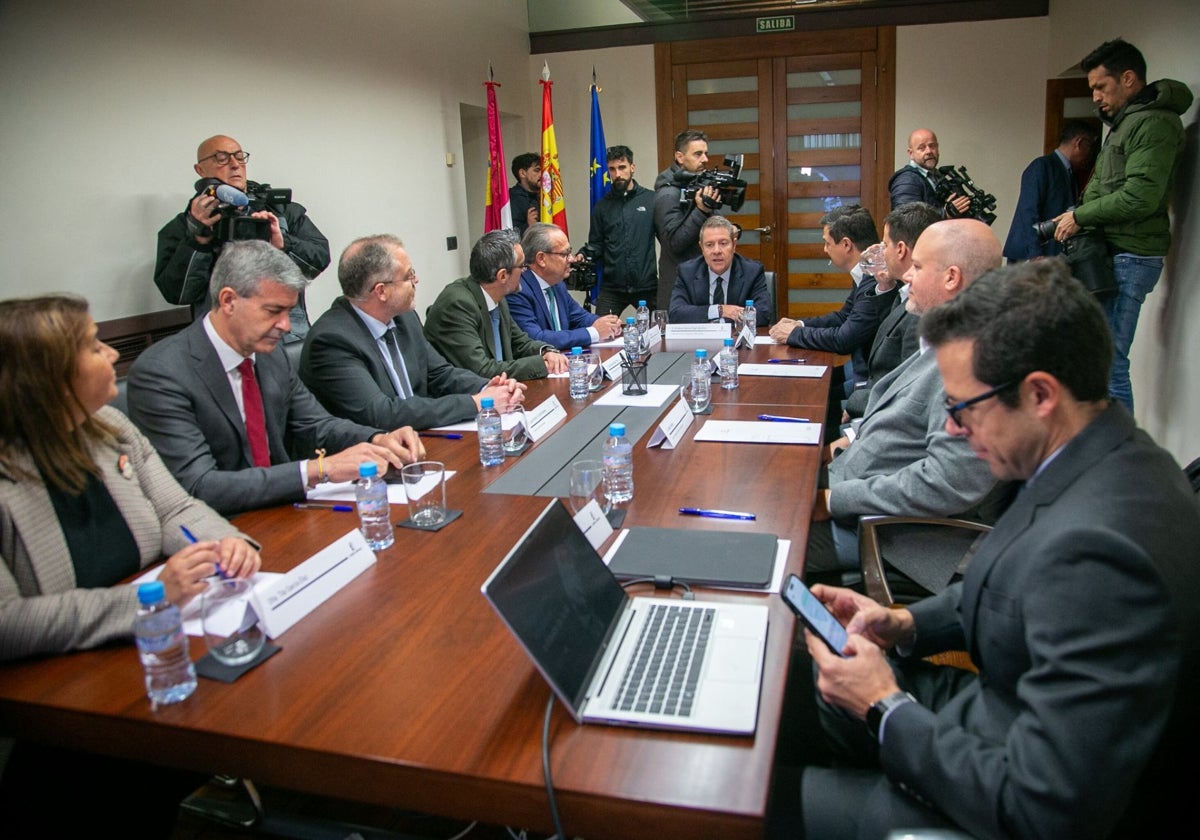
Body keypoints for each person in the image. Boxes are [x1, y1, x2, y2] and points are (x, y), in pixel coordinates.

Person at [790, 259, 1200, 839]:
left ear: (1039, 395)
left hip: (990, 778)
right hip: (980, 714)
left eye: (963, 409)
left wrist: (884, 706)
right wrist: (902, 623)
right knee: (778, 693)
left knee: (751, 797)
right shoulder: (1097, 455)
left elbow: (1042, 806)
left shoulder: (1103, 553)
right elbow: (1010, 591)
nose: (952, 431)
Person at [0, 294, 261, 662]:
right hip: (59, 673)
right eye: (92, 347)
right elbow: (7, 620)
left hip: (158, 642)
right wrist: (149, 598)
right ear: (44, 377)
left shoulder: (112, 427)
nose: (111, 354)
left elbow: (174, 509)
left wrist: (225, 544)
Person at [128, 240, 423, 517]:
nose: (284, 325)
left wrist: (376, 438)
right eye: (273, 311)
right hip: (216, 529)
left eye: (289, 311)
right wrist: (319, 469)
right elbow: (199, 485)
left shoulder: (270, 355)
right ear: (228, 300)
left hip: (283, 511)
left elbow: (316, 424)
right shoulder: (162, 373)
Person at [808, 219, 1005, 585]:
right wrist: (841, 449)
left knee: (754, 544)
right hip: (855, 491)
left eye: (917, 267)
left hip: (896, 536)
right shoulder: (948, 336)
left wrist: (834, 499)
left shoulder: (975, 362)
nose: (907, 277)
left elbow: (946, 482)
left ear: (951, 277)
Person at [1051, 38, 1192, 414]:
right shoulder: (1128, 122)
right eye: (1092, 89)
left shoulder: (1154, 122)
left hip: (1131, 255)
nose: (1095, 96)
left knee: (1110, 362)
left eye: (1101, 86)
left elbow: (1140, 197)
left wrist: (1079, 217)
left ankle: (1123, 459)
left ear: (1128, 79)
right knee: (1097, 359)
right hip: (1114, 251)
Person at [300, 235, 526, 431]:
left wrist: (489, 387)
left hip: (422, 438)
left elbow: (440, 374)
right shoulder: (332, 340)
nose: (416, 280)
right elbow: (381, 414)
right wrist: (476, 403)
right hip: (369, 460)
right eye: (409, 276)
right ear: (381, 291)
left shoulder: (404, 318)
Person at [154, 134, 330, 341]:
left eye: (239, 157)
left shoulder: (280, 211)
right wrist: (198, 240)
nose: (235, 164)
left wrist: (283, 244)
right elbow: (177, 294)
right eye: (222, 158)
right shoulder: (184, 227)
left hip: (286, 336)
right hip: (224, 341)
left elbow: (320, 259)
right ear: (200, 170)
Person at [768, 205, 891, 388]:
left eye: (827, 243)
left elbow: (843, 340)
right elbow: (844, 317)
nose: (825, 249)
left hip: (869, 379)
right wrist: (800, 324)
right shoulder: (864, 274)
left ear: (846, 245)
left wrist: (794, 334)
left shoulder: (876, 281)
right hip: (860, 369)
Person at [424, 229, 569, 380]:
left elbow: (520, 343)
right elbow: (482, 370)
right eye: (522, 266)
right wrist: (541, 365)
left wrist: (546, 352)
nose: (525, 272)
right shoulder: (458, 305)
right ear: (503, 276)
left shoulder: (498, 297)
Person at [843, 202, 941, 423]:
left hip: (882, 414)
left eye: (885, 244)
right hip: (871, 400)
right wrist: (886, 288)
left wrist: (855, 407)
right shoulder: (901, 290)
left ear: (901, 249)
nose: (880, 250)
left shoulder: (923, 307)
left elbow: (903, 389)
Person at [509, 223, 622, 351]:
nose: (572, 259)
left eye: (570, 252)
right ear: (541, 259)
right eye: (564, 254)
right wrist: (594, 333)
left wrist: (606, 324)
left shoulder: (557, 284)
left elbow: (580, 317)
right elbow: (536, 339)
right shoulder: (518, 289)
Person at [1002, 120, 1097, 262]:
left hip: (1050, 254)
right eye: (1089, 146)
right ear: (1079, 143)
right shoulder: (1042, 167)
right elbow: (1028, 211)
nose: (1089, 154)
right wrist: (1035, 254)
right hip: (1031, 255)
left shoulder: (1069, 172)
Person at [654, 129, 725, 310]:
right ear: (680, 157)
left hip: (702, 279)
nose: (705, 159)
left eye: (706, 154)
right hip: (679, 287)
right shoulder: (668, 194)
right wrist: (701, 210)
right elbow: (674, 243)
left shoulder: (699, 185)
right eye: (698, 154)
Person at [586, 145, 658, 316]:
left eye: (622, 167)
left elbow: (667, 239)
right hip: (613, 287)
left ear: (632, 167)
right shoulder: (602, 206)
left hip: (647, 285)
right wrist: (584, 254)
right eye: (612, 169)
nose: (617, 174)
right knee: (600, 332)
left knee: (661, 329)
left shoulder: (651, 200)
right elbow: (596, 244)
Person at [669, 215, 772, 327]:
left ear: (734, 245)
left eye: (723, 243)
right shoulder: (687, 272)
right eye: (709, 245)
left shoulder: (752, 272)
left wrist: (719, 322)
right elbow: (676, 314)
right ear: (701, 248)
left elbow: (763, 314)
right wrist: (721, 310)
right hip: (701, 342)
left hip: (737, 340)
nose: (716, 251)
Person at [888, 128, 972, 216]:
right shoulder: (906, 180)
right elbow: (906, 218)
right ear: (911, 153)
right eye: (921, 148)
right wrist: (945, 213)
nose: (929, 151)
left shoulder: (937, 176)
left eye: (932, 146)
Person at [509, 152, 541, 235]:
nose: (542, 175)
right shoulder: (512, 199)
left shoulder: (546, 195)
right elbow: (508, 235)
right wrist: (528, 226)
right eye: (537, 170)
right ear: (522, 173)